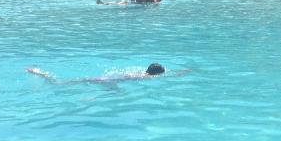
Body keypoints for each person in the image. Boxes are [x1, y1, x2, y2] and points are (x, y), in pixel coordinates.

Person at [27, 62, 175, 84]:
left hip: (107, 79)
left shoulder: (140, 73)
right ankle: (41, 74)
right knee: (60, 84)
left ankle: (40, 74)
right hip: (108, 82)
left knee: (67, 83)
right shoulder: (144, 78)